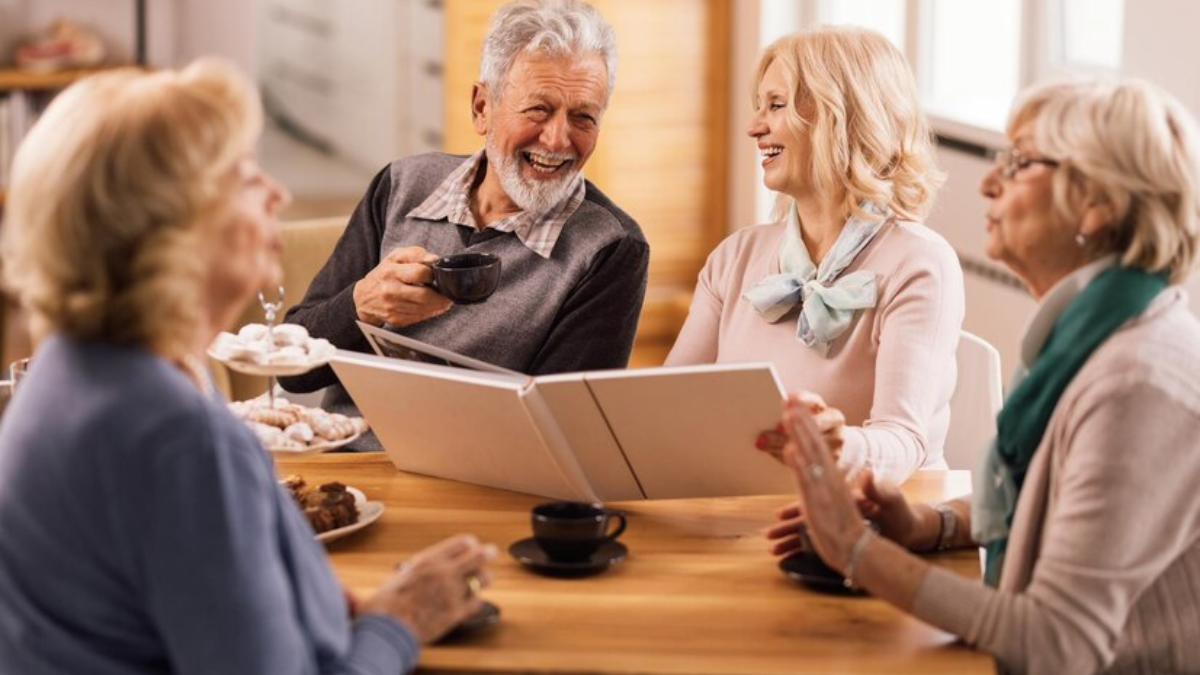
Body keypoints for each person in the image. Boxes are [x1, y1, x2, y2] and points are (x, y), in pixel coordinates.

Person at [0, 60, 495, 674]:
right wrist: (399, 623)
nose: (278, 193)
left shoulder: (75, 370)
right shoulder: (179, 440)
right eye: (243, 175)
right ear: (168, 228)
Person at [771, 79, 1200, 675]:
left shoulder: (1137, 384)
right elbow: (1053, 501)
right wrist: (929, 523)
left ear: (1096, 202)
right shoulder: (1095, 334)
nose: (987, 182)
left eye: (1020, 162)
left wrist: (856, 549)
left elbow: (1055, 642)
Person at [280, 0, 649, 449]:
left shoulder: (610, 247)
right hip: (349, 465)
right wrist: (361, 305)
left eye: (583, 116)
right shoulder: (401, 184)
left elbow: (563, 437)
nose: (557, 139)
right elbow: (293, 369)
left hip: (477, 485)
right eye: (538, 109)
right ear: (482, 107)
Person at [665, 27, 964, 483]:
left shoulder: (920, 264)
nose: (754, 126)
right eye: (759, 105)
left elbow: (903, 442)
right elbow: (668, 403)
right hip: (750, 511)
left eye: (776, 105)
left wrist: (838, 447)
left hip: (876, 519)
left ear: (841, 117)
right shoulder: (735, 257)